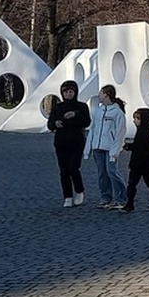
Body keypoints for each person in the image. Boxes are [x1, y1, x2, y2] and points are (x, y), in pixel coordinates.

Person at [47, 79, 90, 207]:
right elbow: (50, 124)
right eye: (66, 92)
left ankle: (79, 190)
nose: (68, 94)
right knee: (64, 171)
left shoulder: (82, 106)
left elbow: (87, 122)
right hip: (61, 142)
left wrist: (75, 115)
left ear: (75, 92)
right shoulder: (58, 107)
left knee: (73, 168)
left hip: (77, 142)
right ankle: (67, 196)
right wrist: (55, 124)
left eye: (71, 91)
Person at [87, 84, 128, 209]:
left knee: (112, 172)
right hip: (98, 147)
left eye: (101, 92)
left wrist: (115, 151)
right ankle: (106, 197)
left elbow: (120, 133)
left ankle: (121, 198)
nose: (99, 94)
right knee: (102, 173)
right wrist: (88, 148)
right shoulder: (98, 110)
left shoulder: (117, 112)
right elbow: (92, 129)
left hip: (110, 148)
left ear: (106, 94)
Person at [122, 108, 149, 212]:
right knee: (139, 184)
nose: (135, 120)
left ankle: (132, 204)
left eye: (137, 118)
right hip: (140, 165)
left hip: (142, 165)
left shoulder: (145, 133)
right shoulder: (142, 132)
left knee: (141, 184)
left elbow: (147, 150)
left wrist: (131, 147)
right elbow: (139, 146)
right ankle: (132, 203)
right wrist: (130, 147)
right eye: (134, 118)